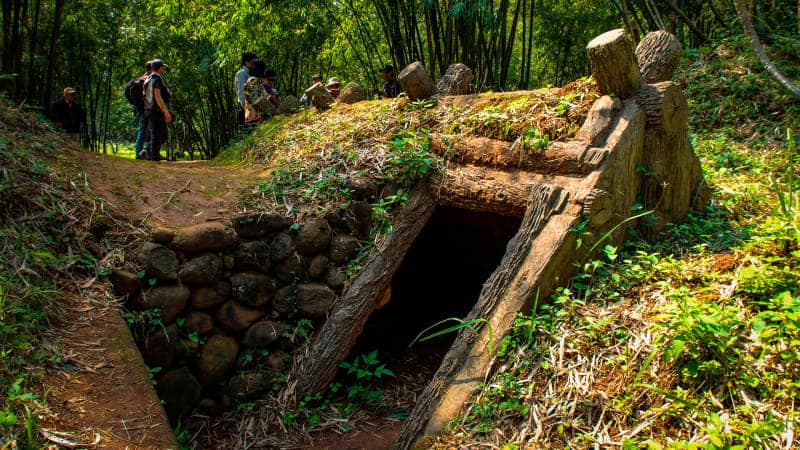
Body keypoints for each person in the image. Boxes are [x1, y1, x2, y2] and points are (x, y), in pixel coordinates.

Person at [143, 59, 172, 161]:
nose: (164, 68)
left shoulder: (149, 78)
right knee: (157, 133)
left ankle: (148, 152)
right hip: (155, 109)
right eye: (163, 67)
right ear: (160, 68)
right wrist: (165, 111)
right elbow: (157, 96)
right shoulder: (156, 78)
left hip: (150, 109)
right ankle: (153, 156)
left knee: (162, 134)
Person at [132, 61, 152, 159]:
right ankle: (140, 154)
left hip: (139, 110)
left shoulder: (138, 79)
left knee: (144, 132)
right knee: (144, 131)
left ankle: (142, 153)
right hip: (145, 110)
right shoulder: (146, 80)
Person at [235, 52, 258, 124]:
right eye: (253, 62)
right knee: (246, 132)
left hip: (252, 108)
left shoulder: (251, 74)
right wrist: (247, 110)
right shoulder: (241, 73)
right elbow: (241, 94)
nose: (255, 65)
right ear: (246, 62)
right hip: (244, 108)